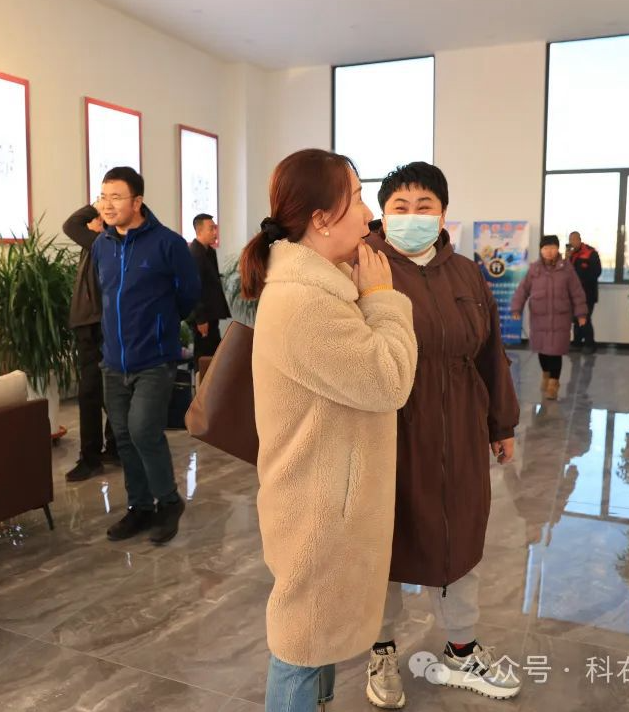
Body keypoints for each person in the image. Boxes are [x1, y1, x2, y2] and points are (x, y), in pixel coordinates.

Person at [241, 148, 418, 712]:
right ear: (320, 218)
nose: (369, 215)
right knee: (301, 644)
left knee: (315, 640)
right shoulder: (304, 302)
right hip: (317, 507)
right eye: (358, 198)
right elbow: (389, 379)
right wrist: (384, 299)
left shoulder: (324, 287)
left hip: (325, 498)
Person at [362, 162, 522, 708]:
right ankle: (380, 649)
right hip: (391, 429)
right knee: (385, 540)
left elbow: (490, 354)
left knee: (461, 536)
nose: (412, 217)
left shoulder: (466, 274)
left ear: (443, 213)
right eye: (400, 207)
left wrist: (501, 423)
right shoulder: (364, 267)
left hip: (460, 428)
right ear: (383, 215)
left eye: (423, 206)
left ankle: (461, 648)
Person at [92, 167, 201, 544]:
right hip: (113, 361)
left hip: (154, 359)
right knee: (123, 436)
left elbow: (188, 294)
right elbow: (104, 294)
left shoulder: (168, 244)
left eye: (116, 197)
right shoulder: (102, 245)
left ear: (137, 202)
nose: (107, 205)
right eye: (103, 197)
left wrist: (161, 326)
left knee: (143, 430)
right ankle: (139, 507)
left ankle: (168, 501)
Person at [62, 202, 119, 482]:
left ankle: (91, 458)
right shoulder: (101, 242)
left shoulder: (104, 241)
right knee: (105, 391)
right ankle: (115, 448)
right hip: (92, 324)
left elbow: (70, 225)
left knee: (91, 394)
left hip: (96, 326)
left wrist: (96, 206)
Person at [511, 235, 588, 400]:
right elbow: (522, 290)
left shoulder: (566, 269)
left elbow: (577, 292)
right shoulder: (534, 269)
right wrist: (516, 308)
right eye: (546, 248)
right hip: (539, 319)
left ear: (557, 249)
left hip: (560, 318)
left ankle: (554, 383)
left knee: (555, 352)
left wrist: (581, 313)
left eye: (552, 247)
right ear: (541, 250)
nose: (549, 251)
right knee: (543, 352)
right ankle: (546, 374)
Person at [188, 212, 231, 363]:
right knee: (204, 355)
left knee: (214, 355)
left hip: (212, 313)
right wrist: (200, 319)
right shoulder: (194, 253)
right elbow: (193, 288)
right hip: (203, 317)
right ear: (199, 231)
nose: (215, 232)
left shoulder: (209, 252)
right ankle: (201, 379)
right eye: (211, 228)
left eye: (215, 228)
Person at [565, 231, 602, 353]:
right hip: (573, 294)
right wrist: (567, 258)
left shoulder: (590, 253)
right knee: (576, 319)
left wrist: (580, 280)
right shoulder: (570, 254)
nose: (572, 242)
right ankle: (577, 343)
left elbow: (597, 272)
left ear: (579, 240)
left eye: (574, 240)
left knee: (584, 318)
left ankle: (590, 344)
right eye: (570, 240)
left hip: (588, 294)